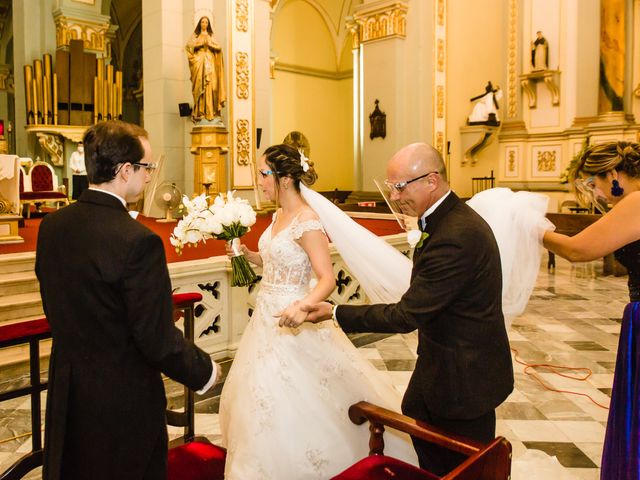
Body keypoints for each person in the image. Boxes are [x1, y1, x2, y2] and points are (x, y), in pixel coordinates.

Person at [298, 142, 515, 476]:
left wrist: (336, 312)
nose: (395, 197)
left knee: (463, 466)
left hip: (464, 379)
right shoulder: (448, 220)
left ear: (431, 180)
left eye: (400, 187)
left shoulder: (454, 236)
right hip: (446, 365)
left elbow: (406, 316)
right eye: (391, 187)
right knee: (422, 428)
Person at [219, 144, 417, 479]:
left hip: (296, 320)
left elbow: (326, 279)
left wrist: (304, 305)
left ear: (284, 179)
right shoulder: (277, 216)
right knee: (259, 402)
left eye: (264, 174)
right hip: (266, 322)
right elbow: (273, 260)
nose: (259, 182)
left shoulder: (307, 220)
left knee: (298, 400)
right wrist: (247, 254)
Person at [35, 120, 218, 480]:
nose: (150, 177)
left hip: (68, 393)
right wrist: (206, 371)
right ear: (125, 170)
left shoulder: (52, 227)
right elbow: (156, 339)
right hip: (122, 401)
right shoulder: (138, 241)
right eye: (146, 168)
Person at [542, 141, 640, 480]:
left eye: (593, 183)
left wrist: (536, 231)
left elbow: (578, 251)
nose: (595, 192)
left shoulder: (636, 202)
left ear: (613, 174)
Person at [185, 16, 226, 122]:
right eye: (202, 22)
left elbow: (219, 48)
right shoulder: (195, 36)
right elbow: (188, 47)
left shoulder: (211, 36)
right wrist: (200, 44)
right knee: (200, 87)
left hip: (210, 63)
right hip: (199, 63)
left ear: (208, 24)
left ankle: (212, 112)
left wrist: (210, 45)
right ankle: (201, 112)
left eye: (206, 22)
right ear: (199, 24)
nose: (204, 24)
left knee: (212, 87)